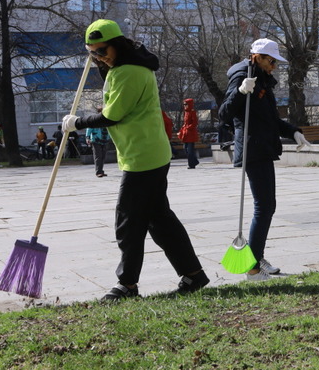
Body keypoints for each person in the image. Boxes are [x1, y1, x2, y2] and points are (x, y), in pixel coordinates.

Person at [62, 19, 209, 300]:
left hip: (144, 157)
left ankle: (127, 284)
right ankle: (194, 275)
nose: (98, 57)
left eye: (102, 51)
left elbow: (111, 116)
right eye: (92, 53)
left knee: (128, 221)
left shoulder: (128, 72)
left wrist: (76, 122)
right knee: (160, 221)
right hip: (145, 152)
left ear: (117, 45)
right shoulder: (125, 68)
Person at [218, 39, 309, 281]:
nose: (274, 66)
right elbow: (224, 113)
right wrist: (240, 92)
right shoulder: (242, 75)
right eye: (271, 61)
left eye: (276, 61)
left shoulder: (261, 78)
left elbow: (270, 119)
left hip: (263, 147)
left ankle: (257, 259)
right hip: (252, 148)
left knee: (268, 206)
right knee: (264, 206)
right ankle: (253, 269)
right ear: (257, 56)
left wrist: (293, 131)